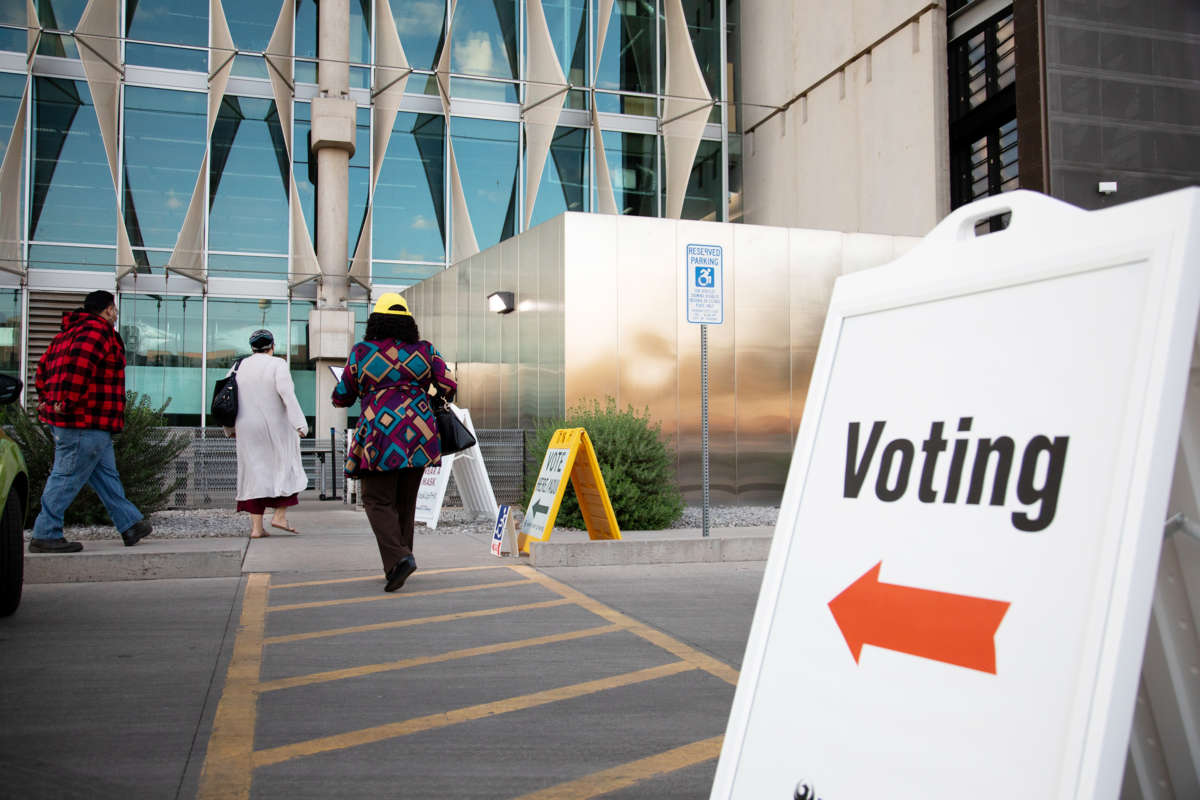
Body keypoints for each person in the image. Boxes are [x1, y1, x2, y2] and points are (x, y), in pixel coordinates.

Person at [332, 293, 456, 592]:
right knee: (404, 502)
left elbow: (342, 394)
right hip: (420, 430)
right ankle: (398, 563)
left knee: (376, 499)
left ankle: (399, 559)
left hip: (380, 433)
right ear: (408, 323)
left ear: (375, 321)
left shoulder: (363, 352)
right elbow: (449, 385)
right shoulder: (425, 350)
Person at [30, 290, 152, 553]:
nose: (116, 314)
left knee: (106, 476)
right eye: (115, 309)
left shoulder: (64, 335)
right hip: (85, 421)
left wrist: (46, 401)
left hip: (86, 423)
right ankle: (45, 533)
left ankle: (130, 524)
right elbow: (79, 369)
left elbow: (41, 370)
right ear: (107, 309)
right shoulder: (98, 332)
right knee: (65, 476)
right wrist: (67, 403)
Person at [226, 329, 309, 538]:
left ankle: (256, 528)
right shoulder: (278, 364)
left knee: (254, 474)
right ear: (272, 346)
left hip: (245, 428)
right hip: (276, 427)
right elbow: (286, 394)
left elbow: (226, 399)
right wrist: (300, 424)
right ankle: (279, 516)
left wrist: (229, 429)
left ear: (252, 347)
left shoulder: (237, 366)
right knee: (289, 467)